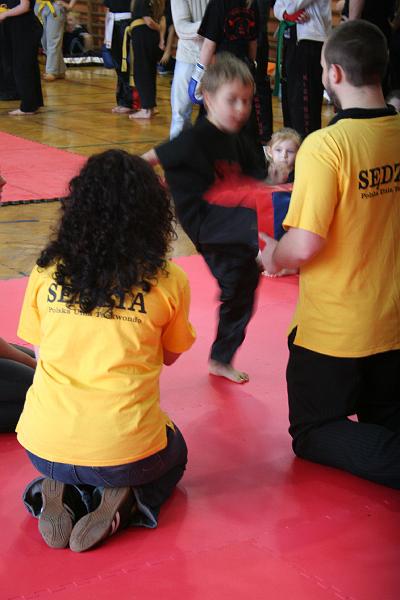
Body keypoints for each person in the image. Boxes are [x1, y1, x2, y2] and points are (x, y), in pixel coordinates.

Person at [16, 149, 196, 552]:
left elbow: (41, 353)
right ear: (151, 214)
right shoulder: (169, 281)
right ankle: (129, 502)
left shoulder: (47, 272)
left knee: (73, 446)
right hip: (123, 453)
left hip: (43, 446)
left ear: (78, 208)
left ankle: (60, 487)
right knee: (176, 450)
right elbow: (170, 355)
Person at [261, 20, 400, 489]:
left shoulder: (326, 145)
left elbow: (303, 245)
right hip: (394, 327)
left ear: (334, 74)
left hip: (336, 335)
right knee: (385, 415)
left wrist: (274, 255)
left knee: (311, 432)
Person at [143, 53, 268, 384]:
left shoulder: (240, 139)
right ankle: (261, 255)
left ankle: (220, 359)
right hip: (208, 223)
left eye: (246, 101)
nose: (241, 109)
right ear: (209, 99)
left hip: (232, 221)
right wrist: (123, 181)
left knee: (243, 288)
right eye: (232, 100)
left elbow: (258, 180)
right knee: (240, 276)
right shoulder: (193, 139)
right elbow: (148, 159)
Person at [273, 0, 331, 138]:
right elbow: (277, 7)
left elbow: (292, 6)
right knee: (289, 105)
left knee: (305, 109)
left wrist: (288, 12)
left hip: (310, 43)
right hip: (291, 42)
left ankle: (308, 148)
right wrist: (285, 15)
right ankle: (291, 148)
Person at [169, 0, 209, 138]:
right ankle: (177, 149)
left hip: (218, 56)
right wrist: (212, 25)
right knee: (180, 114)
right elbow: (181, 27)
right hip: (188, 58)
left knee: (218, 112)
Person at [0, 0, 43, 115]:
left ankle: (28, 106)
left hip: (24, 28)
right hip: (13, 28)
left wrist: (4, 14)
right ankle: (33, 103)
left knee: (23, 67)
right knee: (25, 67)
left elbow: (24, 7)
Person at [128, 0, 165, 119]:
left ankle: (146, 109)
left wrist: (159, 29)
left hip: (142, 36)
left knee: (142, 72)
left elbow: (148, 21)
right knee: (149, 72)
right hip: (149, 37)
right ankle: (151, 107)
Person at [103, 0, 134, 113]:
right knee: (118, 64)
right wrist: (106, 34)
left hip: (125, 24)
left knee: (125, 64)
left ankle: (128, 101)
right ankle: (122, 100)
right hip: (113, 24)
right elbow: (107, 10)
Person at [35, 0, 76, 81]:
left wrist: (70, 6)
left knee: (53, 41)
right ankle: (60, 70)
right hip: (38, 6)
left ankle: (51, 71)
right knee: (44, 42)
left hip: (54, 8)